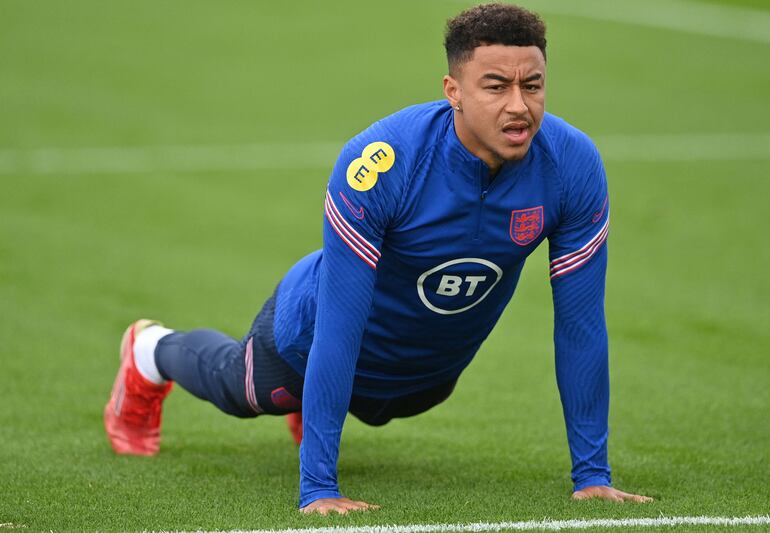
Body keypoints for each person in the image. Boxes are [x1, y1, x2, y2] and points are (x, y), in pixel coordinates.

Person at [103, 2, 653, 515]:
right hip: (310, 332)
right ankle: (149, 350)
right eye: (495, 86)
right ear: (452, 91)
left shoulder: (572, 165)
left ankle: (321, 399)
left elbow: (579, 326)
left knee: (391, 406)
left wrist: (592, 476)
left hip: (424, 371)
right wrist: (319, 487)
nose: (518, 105)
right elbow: (338, 327)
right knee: (244, 391)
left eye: (532, 86)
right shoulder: (384, 161)